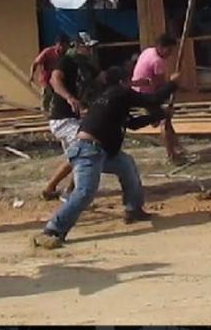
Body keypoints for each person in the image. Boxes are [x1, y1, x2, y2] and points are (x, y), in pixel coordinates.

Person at [33, 67, 180, 249]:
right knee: (84, 193)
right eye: (129, 81)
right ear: (122, 82)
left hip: (101, 151)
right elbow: (154, 99)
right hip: (89, 151)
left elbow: (130, 124)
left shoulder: (109, 98)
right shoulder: (120, 93)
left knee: (127, 165)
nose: (131, 84)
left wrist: (159, 115)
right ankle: (52, 230)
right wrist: (173, 83)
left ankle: (133, 209)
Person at [41, 32, 101, 201]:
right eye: (87, 47)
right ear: (77, 46)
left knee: (77, 155)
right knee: (84, 147)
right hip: (62, 119)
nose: (90, 51)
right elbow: (55, 80)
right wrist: (69, 98)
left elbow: (101, 80)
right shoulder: (66, 62)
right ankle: (69, 191)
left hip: (76, 118)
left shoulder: (86, 66)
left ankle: (52, 188)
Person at [131, 33, 186, 162]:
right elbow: (161, 86)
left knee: (164, 117)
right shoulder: (157, 61)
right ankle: (171, 155)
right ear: (161, 47)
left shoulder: (148, 51)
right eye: (169, 50)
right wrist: (173, 83)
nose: (170, 53)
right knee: (164, 119)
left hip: (139, 90)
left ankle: (177, 146)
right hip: (145, 94)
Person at [32, 34, 70, 113]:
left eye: (64, 46)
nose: (62, 48)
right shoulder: (48, 52)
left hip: (57, 79)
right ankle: (45, 112)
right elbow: (35, 63)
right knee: (47, 96)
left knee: (57, 95)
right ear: (56, 45)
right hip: (46, 78)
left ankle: (54, 111)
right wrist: (31, 75)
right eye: (60, 45)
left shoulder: (66, 54)